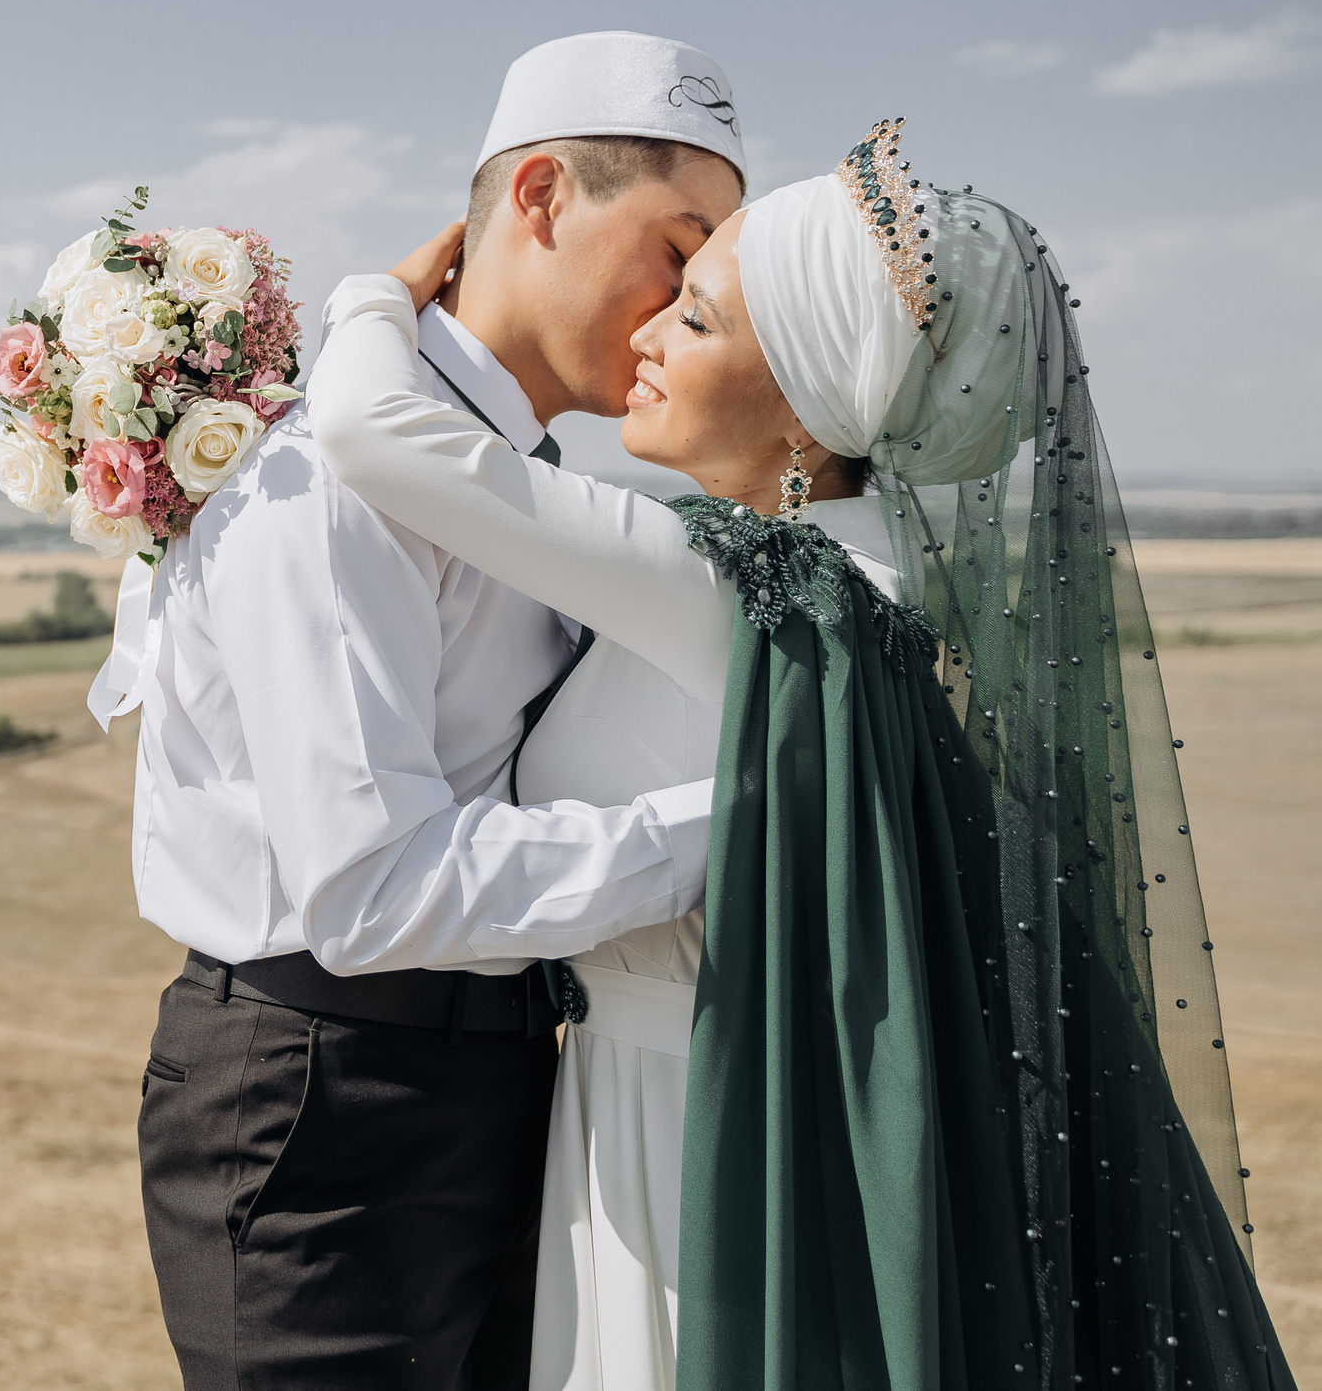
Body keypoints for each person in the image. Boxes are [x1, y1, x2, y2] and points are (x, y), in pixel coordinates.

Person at [307, 121, 1296, 1389]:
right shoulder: (874, 579)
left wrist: (375, 297)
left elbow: (369, 431)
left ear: (805, 410)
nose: (647, 334)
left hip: (680, 1140)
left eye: (697, 319)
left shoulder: (742, 586)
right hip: (719, 1112)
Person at [94, 32, 748, 1389]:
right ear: (541, 197)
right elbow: (375, 889)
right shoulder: (326, 485)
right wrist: (748, 821)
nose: (684, 305)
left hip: (509, 1081)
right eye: (678, 251)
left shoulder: (525, 488)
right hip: (320, 1103)